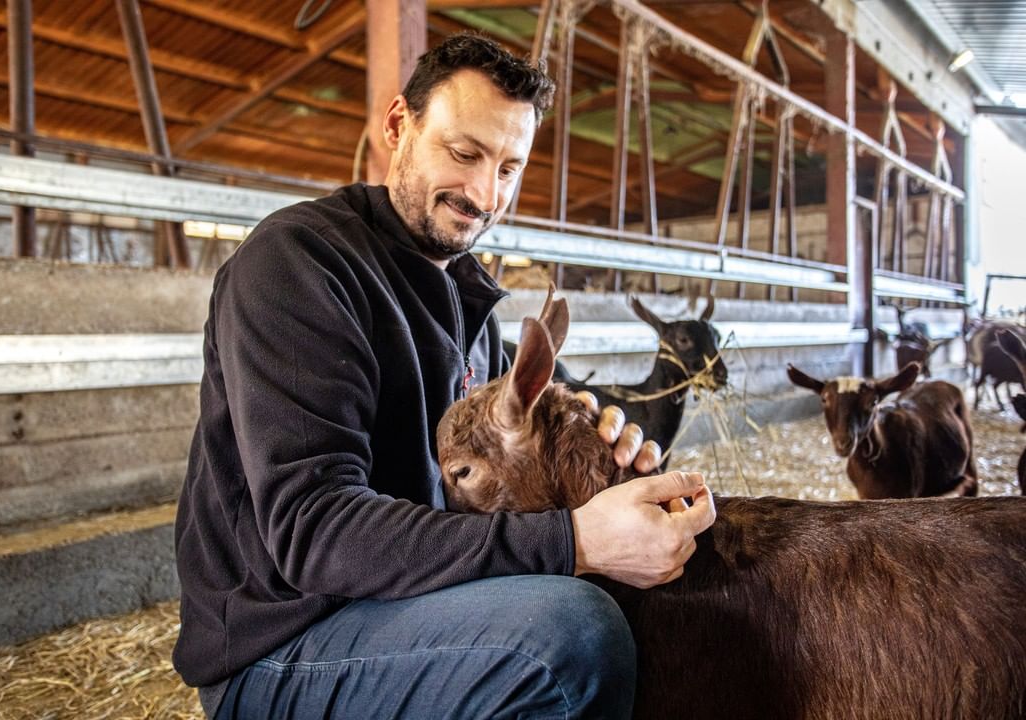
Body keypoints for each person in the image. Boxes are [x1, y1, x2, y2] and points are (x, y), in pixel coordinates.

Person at [173, 32, 716, 719]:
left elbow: (508, 484)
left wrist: (607, 474)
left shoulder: (472, 309)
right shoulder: (298, 266)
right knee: (567, 634)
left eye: (510, 168)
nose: (486, 193)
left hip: (413, 606)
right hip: (284, 645)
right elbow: (314, 529)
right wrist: (576, 540)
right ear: (399, 124)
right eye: (465, 154)